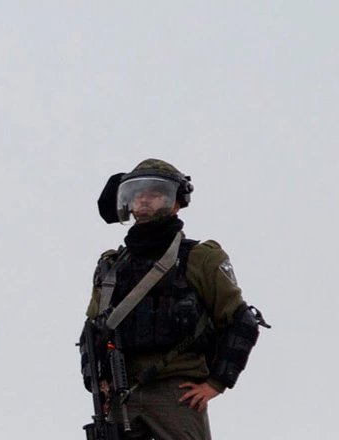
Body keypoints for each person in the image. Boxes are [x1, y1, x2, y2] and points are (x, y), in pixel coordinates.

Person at [80, 159, 269, 440]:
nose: (144, 200)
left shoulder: (200, 259)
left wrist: (217, 382)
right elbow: (92, 331)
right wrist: (98, 383)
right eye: (137, 194)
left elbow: (241, 322)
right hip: (121, 390)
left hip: (176, 391)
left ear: (176, 202)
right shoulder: (111, 266)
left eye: (154, 194)